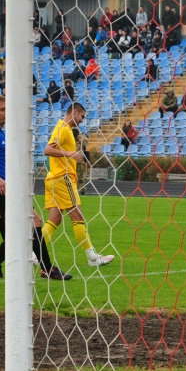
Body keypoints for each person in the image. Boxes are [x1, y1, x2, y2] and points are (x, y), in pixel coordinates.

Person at [0, 95, 70, 280]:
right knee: (31, 224)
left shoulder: (1, 132)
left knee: (25, 229)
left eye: (7, 108)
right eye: (2, 109)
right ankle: (46, 269)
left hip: (12, 190)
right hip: (3, 191)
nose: (6, 112)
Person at [42, 103, 115, 267]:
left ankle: (35, 253)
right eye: (82, 116)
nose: (82, 120)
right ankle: (93, 258)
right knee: (78, 217)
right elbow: (47, 150)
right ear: (75, 112)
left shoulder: (64, 129)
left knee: (55, 219)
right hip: (63, 178)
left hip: (54, 179)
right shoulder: (63, 128)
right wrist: (69, 153)